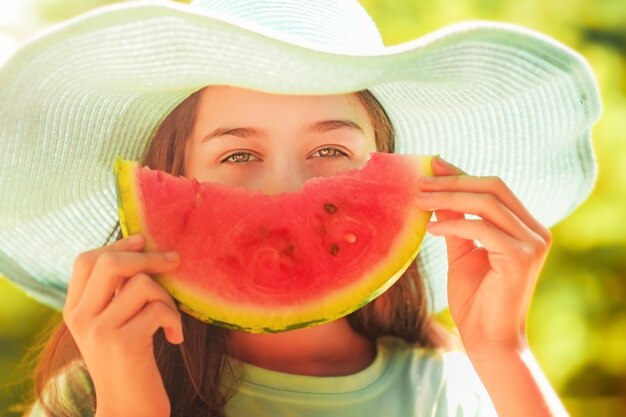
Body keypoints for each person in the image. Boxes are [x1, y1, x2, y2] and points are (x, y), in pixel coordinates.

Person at [0, 1, 601, 416]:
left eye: (331, 150)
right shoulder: (93, 395)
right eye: (237, 155)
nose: (286, 191)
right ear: (175, 179)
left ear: (396, 176)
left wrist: (503, 349)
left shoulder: (454, 391)